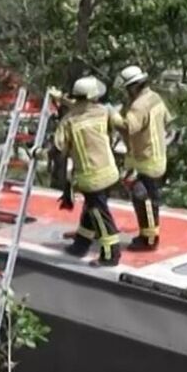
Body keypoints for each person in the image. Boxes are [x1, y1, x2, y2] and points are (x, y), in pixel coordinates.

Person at [52, 76, 122, 267]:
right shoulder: (102, 111)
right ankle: (81, 245)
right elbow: (85, 107)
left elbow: (58, 148)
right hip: (109, 172)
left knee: (99, 214)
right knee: (91, 210)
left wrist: (36, 152)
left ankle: (111, 255)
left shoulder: (69, 121)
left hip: (92, 177)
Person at [111, 65, 170, 252]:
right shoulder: (155, 98)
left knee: (143, 199)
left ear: (134, 86)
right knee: (147, 198)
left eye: (128, 89)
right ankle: (147, 235)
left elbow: (129, 127)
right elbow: (167, 120)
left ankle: (149, 240)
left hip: (146, 160)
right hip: (157, 156)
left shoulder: (139, 105)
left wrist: (111, 114)